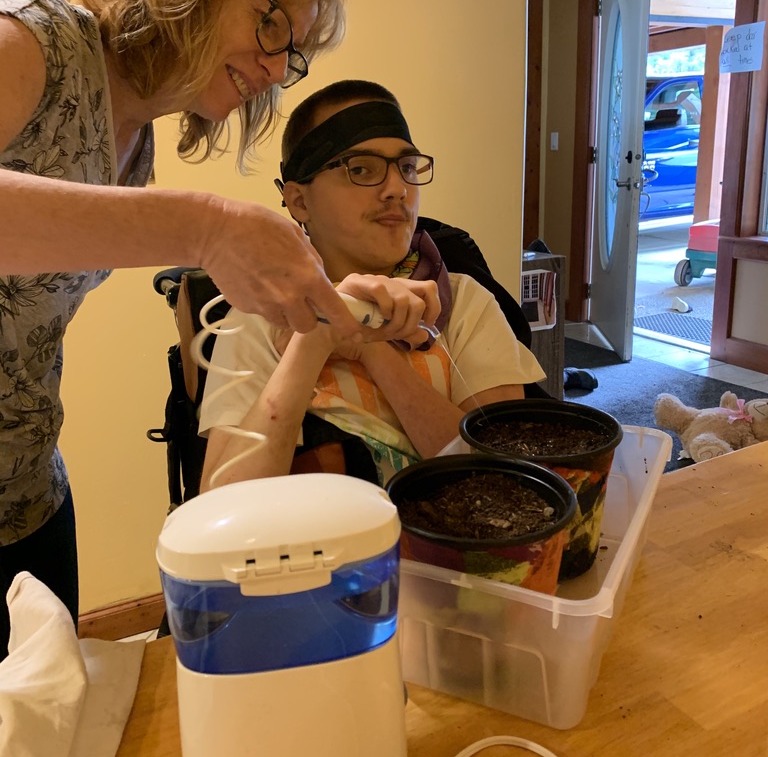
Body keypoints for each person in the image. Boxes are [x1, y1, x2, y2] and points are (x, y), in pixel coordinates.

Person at [0, 0, 368, 657]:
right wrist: (201, 227)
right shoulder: (31, 45)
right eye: (272, 26)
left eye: (290, 54)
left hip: (26, 496)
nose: (274, 69)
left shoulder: (133, 144)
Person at [199, 80, 545, 491]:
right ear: (299, 202)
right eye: (360, 169)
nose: (398, 189)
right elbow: (223, 503)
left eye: (408, 167)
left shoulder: (464, 301)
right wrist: (316, 338)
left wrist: (371, 348)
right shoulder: (263, 315)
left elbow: (507, 482)